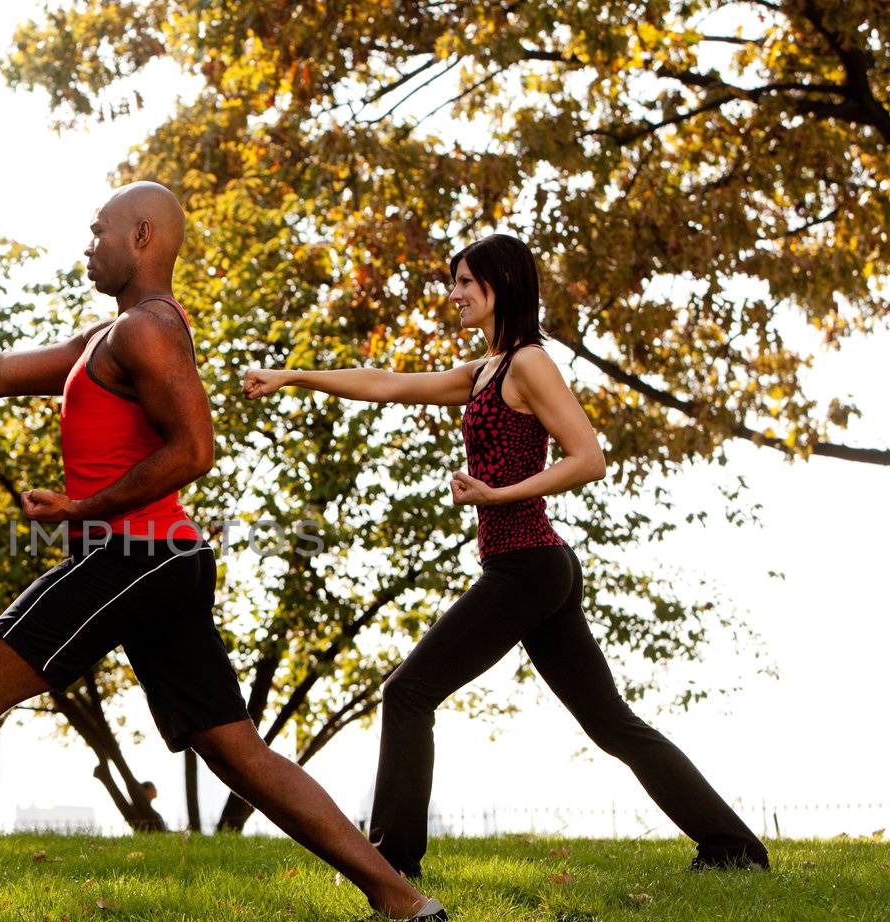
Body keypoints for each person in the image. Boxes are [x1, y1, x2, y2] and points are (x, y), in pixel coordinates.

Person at [0, 182, 445, 922]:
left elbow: (195, 449)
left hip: (134, 554)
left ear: (142, 236)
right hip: (158, 559)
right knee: (236, 752)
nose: (88, 245)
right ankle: (403, 900)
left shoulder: (147, 331)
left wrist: (84, 507)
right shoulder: (104, 340)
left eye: (97, 231)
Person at [243, 233, 769, 877]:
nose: (454, 293)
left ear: (503, 286)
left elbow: (589, 458)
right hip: (529, 567)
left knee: (408, 692)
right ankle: (732, 847)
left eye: (466, 281)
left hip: (529, 564)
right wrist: (297, 375)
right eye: (454, 280)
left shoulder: (529, 364)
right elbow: (386, 384)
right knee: (610, 723)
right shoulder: (484, 371)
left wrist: (500, 493)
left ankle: (392, 870)